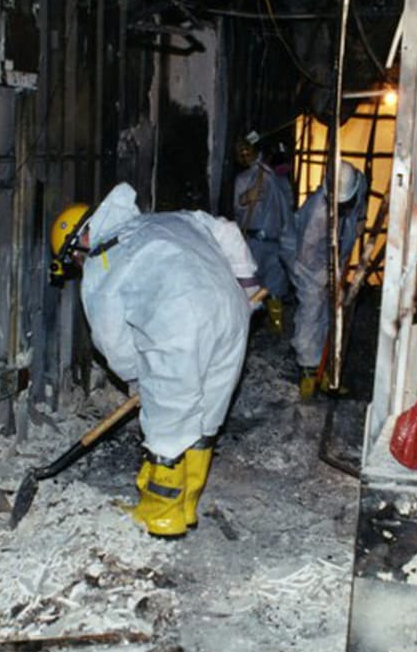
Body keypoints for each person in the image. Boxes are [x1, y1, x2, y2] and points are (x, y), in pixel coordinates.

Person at [49, 182, 259, 537]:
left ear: (79, 241)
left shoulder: (102, 262)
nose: (78, 266)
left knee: (168, 423)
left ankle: (161, 515)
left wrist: (141, 383)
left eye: (73, 259)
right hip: (231, 310)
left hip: (177, 323)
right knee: (207, 414)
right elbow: (226, 230)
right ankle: (187, 504)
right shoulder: (167, 220)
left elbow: (114, 345)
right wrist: (247, 287)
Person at [290, 160, 368, 399]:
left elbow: (359, 204)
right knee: (311, 313)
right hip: (310, 267)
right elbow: (309, 257)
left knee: (329, 315)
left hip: (335, 258)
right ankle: (307, 368)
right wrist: (331, 281)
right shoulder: (317, 214)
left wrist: (360, 221)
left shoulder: (356, 184)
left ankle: (324, 367)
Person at [231, 133, 296, 333]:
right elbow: (238, 208)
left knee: (272, 284)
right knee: (255, 283)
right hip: (255, 240)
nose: (246, 155)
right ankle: (247, 322)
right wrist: (245, 199)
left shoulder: (276, 180)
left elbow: (287, 211)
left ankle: (272, 324)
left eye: (247, 151)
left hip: (272, 241)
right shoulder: (246, 180)